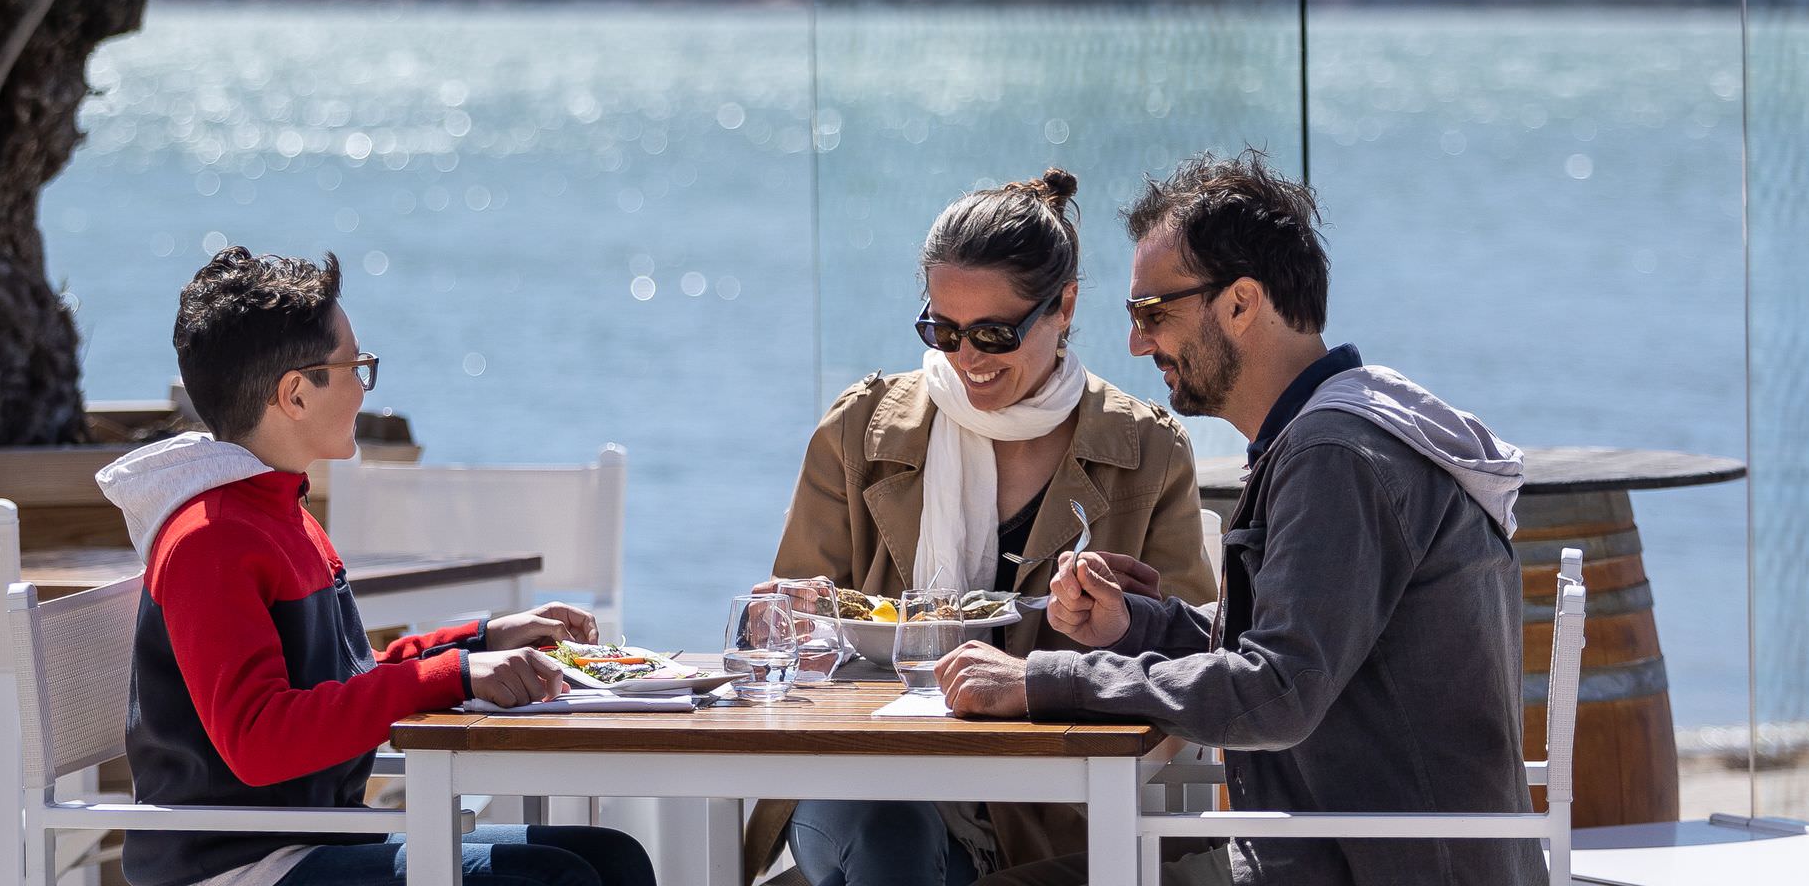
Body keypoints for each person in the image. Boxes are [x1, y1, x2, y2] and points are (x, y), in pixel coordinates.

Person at [936, 150, 1549, 886]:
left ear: (1241, 303)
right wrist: (1135, 627)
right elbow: (1302, 658)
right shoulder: (1342, 433)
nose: (1137, 342)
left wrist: (1049, 678)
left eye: (1152, 313)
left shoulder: (1336, 458)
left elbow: (1277, 694)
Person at [95, 247, 655, 886]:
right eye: (354, 366)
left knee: (611, 858)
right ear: (296, 394)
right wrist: (457, 677)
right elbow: (257, 740)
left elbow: (345, 681)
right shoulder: (211, 539)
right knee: (557, 880)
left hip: (309, 837)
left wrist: (477, 642)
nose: (365, 385)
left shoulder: (279, 510)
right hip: (241, 866)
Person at [743, 169, 1218, 886]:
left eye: (995, 334)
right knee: (886, 823)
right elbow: (783, 632)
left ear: (1063, 306)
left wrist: (1082, 661)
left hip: (1045, 806)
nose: (966, 358)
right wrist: (788, 620)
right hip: (860, 773)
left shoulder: (1145, 451)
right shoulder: (859, 432)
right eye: (942, 329)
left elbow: (1187, 674)